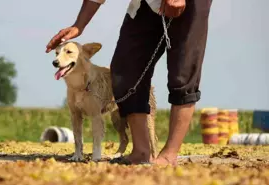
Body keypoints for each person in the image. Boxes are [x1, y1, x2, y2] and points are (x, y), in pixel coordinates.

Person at [46, 0, 212, 165]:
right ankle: (141, 151)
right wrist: (79, 25)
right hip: (146, 4)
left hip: (190, 4)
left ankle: (169, 154)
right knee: (125, 69)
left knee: (183, 74)